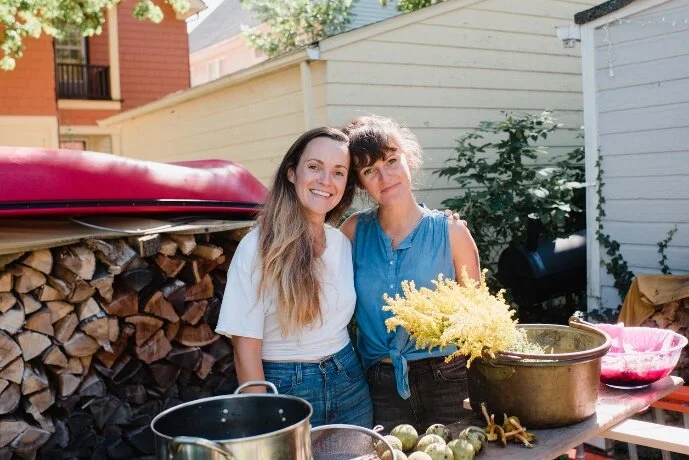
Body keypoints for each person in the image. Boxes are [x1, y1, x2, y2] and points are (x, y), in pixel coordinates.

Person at [216, 127, 373, 427]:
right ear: (291, 173)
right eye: (314, 167)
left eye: (338, 172)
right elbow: (245, 351)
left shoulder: (341, 243)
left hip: (350, 383)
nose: (326, 180)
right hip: (286, 388)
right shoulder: (258, 247)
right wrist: (263, 420)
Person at [340, 115, 481, 431]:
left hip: (448, 378)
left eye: (391, 161)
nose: (384, 176)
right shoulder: (352, 232)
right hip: (380, 383)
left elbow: (478, 321)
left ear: (408, 160)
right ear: (360, 182)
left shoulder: (452, 233)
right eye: (369, 170)